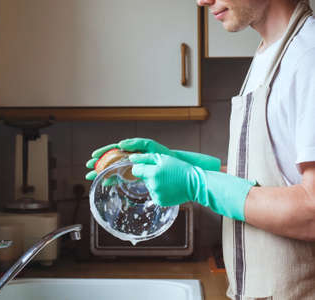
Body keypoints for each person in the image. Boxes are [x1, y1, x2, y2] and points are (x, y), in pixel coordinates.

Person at [85, 0, 315, 299]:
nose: (202, 0)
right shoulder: (269, 54)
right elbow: (277, 179)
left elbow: (311, 212)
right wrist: (190, 167)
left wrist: (199, 184)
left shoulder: (308, 57)